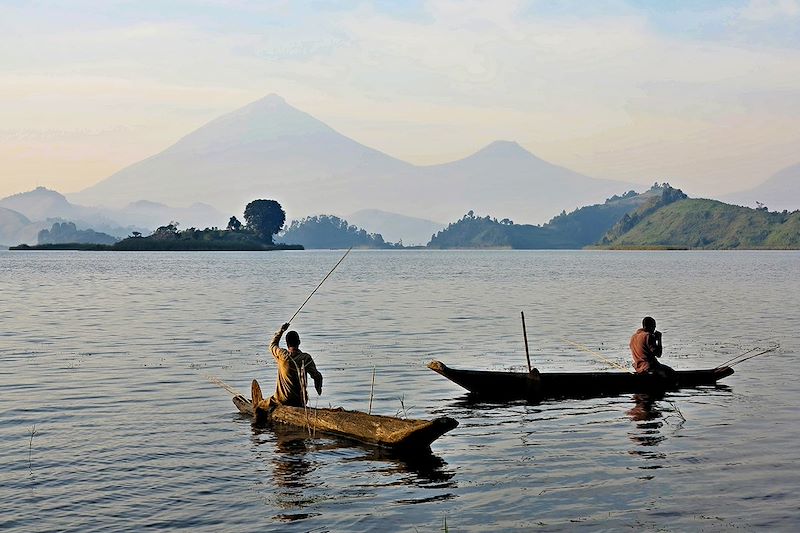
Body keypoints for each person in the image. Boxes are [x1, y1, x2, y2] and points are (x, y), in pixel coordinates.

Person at [268, 322, 323, 407]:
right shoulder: (305, 358)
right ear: (299, 342)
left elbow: (272, 345)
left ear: (287, 343)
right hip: (300, 401)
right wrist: (318, 387)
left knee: (263, 405)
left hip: (282, 400)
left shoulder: (281, 355)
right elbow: (316, 376)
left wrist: (281, 331)